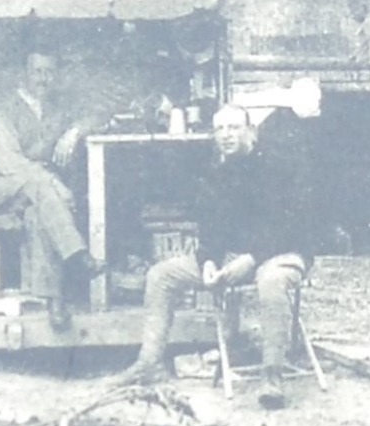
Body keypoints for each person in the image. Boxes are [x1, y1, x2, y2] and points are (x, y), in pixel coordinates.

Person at [118, 102, 316, 408]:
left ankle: (272, 375)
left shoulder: (280, 167)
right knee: (160, 275)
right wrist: (208, 261)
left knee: (271, 283)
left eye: (234, 127)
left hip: (280, 254)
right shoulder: (216, 175)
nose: (226, 135)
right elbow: (210, 230)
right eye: (220, 128)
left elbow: (292, 225)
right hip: (232, 260)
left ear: (251, 132)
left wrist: (251, 258)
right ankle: (149, 364)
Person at [0, 49, 105, 330]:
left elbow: (97, 115)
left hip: (39, 196)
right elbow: (11, 163)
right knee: (41, 187)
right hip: (0, 188)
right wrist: (54, 183)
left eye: (49, 72)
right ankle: (77, 255)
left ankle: (55, 303)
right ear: (24, 73)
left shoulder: (56, 110)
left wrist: (76, 131)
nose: (43, 79)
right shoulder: (0, 111)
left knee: (39, 213)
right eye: (37, 71)